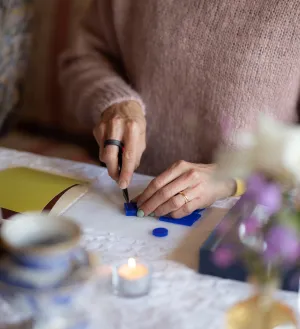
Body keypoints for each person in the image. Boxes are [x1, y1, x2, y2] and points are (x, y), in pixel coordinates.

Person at [60, 0, 300, 218]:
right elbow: (83, 57)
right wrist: (115, 102)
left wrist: (230, 180)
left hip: (249, 217)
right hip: (124, 192)